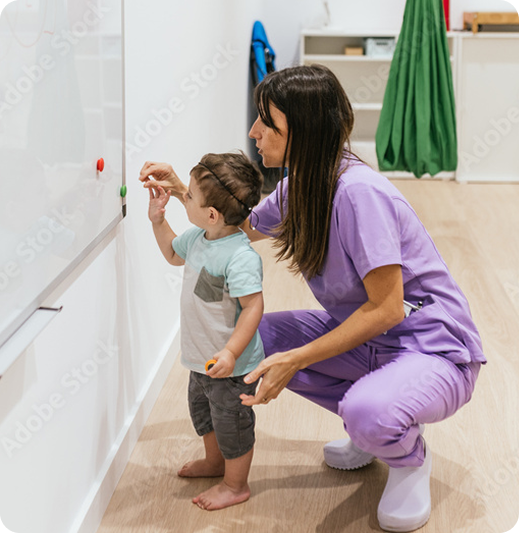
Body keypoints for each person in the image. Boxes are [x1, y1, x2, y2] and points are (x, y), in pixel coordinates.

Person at [139, 65, 486, 532]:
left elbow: (387, 308)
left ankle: (404, 453)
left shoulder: (360, 195)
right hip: (368, 342)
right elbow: (236, 224)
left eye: (268, 123)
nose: (254, 132)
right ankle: (376, 418)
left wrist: (298, 358)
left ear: (305, 132)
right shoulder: (300, 185)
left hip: (431, 350)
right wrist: (185, 191)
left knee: (355, 405)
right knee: (247, 340)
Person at [143, 151, 265, 511]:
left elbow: (253, 307)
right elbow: (172, 254)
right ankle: (215, 463)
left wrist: (230, 352)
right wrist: (158, 220)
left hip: (231, 367)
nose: (185, 197)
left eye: (190, 196)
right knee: (204, 414)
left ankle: (235, 484)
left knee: (232, 424)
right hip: (200, 360)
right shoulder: (200, 237)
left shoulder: (240, 256)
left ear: (212, 214)